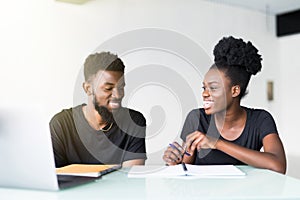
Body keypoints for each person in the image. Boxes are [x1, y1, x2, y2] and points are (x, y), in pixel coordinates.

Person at [163, 36, 286, 174]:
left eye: (213, 88)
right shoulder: (196, 118)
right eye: (204, 88)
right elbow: (185, 166)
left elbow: (278, 166)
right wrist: (175, 162)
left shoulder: (260, 119)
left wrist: (217, 143)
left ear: (234, 91)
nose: (204, 94)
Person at [50, 52, 147, 168]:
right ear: (88, 89)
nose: (118, 95)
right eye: (108, 88)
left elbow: (131, 177)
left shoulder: (134, 122)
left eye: (121, 87)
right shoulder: (61, 124)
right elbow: (55, 176)